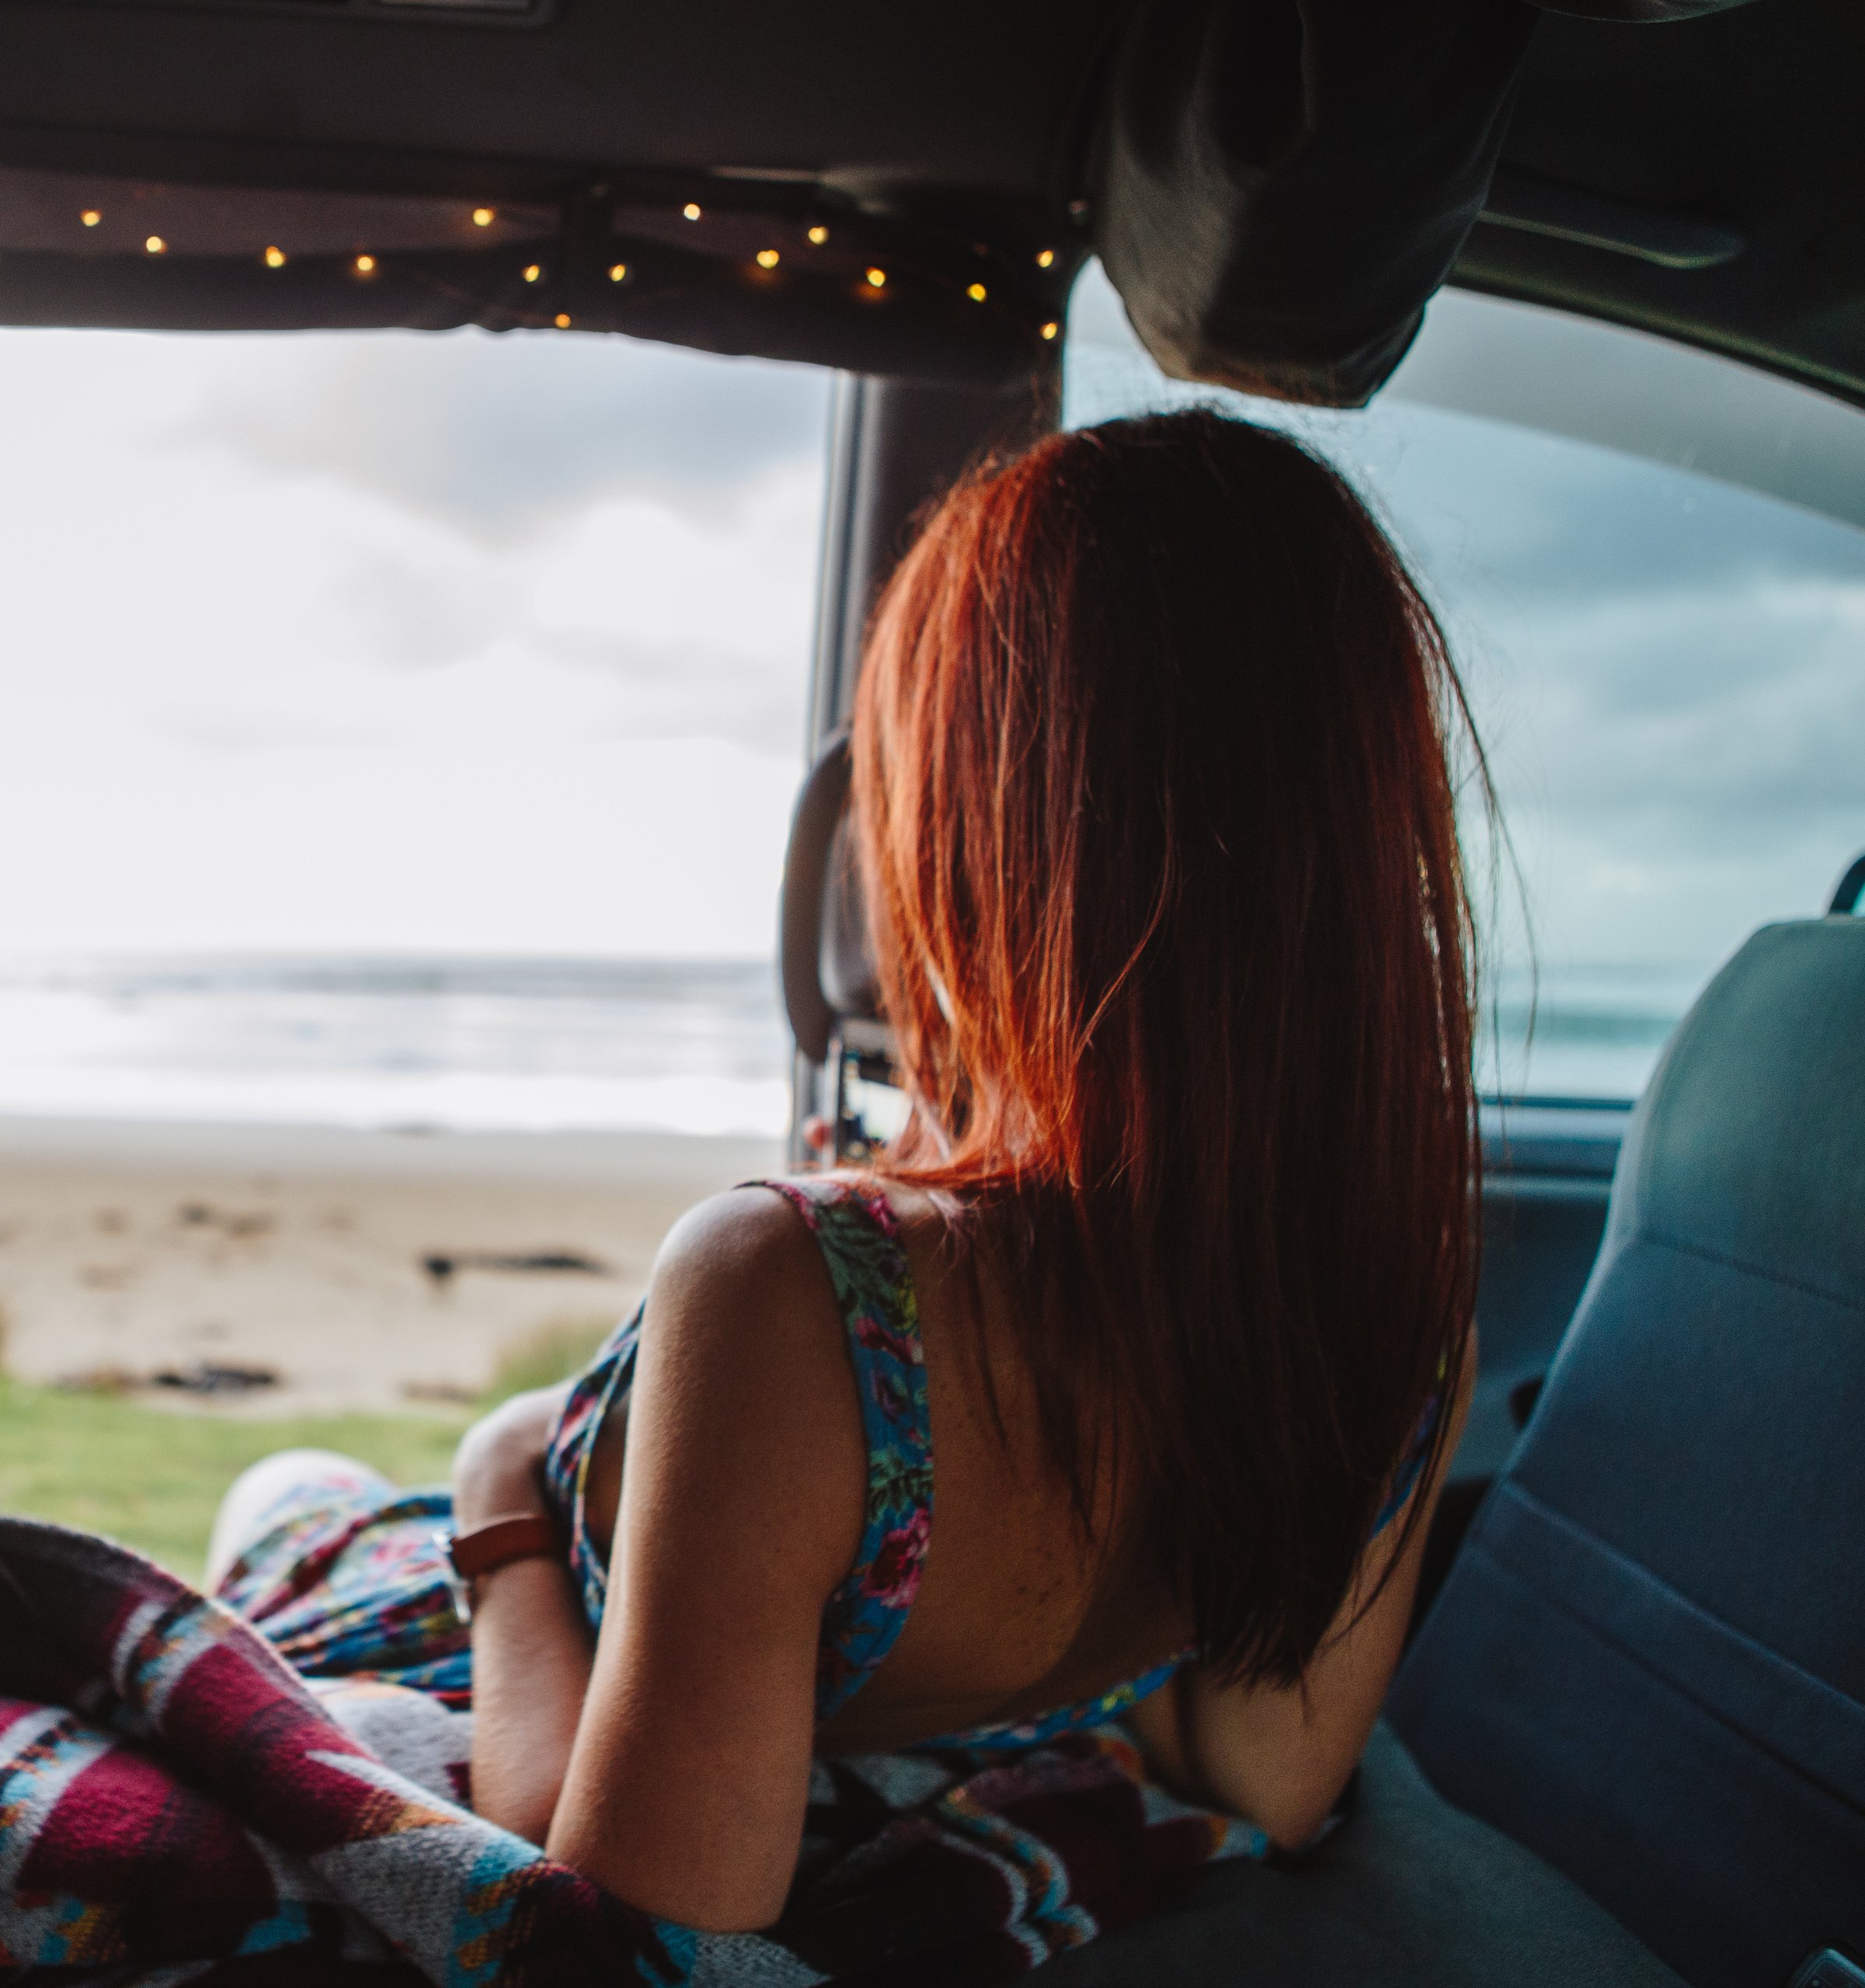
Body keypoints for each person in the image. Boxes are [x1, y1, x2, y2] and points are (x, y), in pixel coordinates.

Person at [209, 408, 1481, 1936]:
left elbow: (628, 1904)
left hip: (495, 1643)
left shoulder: (804, 1289)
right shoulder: (1403, 1322)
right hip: (840, 1719)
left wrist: (497, 1495)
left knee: (287, 1481)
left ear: (980, 828)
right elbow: (1260, 1768)